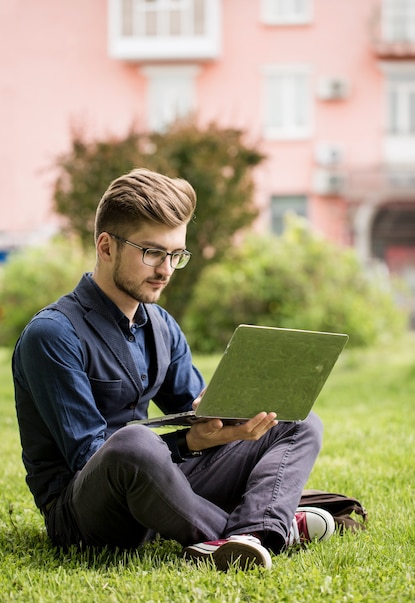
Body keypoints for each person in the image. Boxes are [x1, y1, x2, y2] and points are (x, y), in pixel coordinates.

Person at [12, 168, 335, 571]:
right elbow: (90, 456)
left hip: (165, 486)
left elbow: (196, 413)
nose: (166, 269)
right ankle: (266, 529)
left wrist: (231, 413)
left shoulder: (161, 325)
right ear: (106, 246)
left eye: (175, 255)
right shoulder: (52, 334)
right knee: (133, 443)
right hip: (85, 514)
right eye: (152, 252)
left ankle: (256, 533)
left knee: (298, 423)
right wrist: (190, 444)